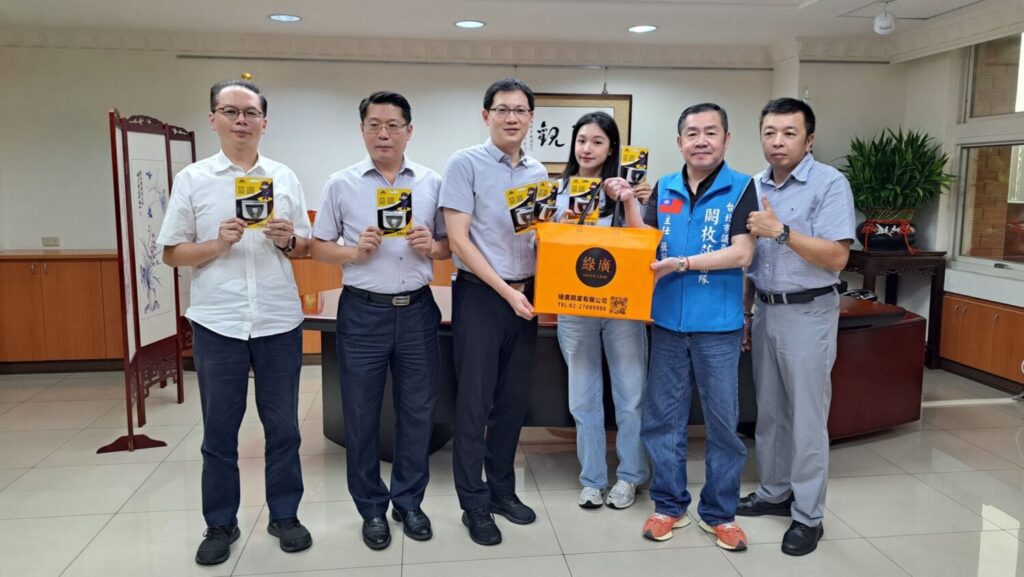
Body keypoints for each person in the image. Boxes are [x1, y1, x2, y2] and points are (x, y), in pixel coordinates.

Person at [158, 79, 313, 566]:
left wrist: (288, 239)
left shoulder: (284, 176)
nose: (241, 120)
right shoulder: (193, 179)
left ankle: (284, 515)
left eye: (250, 113)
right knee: (220, 432)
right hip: (218, 320)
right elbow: (171, 253)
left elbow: (305, 247)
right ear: (213, 119)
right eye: (231, 111)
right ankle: (220, 523)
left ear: (265, 122)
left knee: (283, 428)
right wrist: (217, 243)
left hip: (277, 319)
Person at [612, 102, 757, 551]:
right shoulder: (665, 187)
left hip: (718, 326)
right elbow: (645, 240)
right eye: (692, 133)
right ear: (679, 142)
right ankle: (669, 505)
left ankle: (720, 513)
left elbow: (742, 253)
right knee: (663, 420)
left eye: (711, 132)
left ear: (726, 139)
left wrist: (683, 263)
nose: (701, 141)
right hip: (668, 325)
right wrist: (628, 201)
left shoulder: (742, 187)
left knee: (723, 424)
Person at [310, 91, 449, 550]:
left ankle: (409, 502)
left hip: (417, 310)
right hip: (363, 311)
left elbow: (451, 244)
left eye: (392, 125)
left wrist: (433, 246)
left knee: (417, 411)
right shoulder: (341, 183)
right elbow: (318, 245)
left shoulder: (431, 182)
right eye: (374, 124)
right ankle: (371, 508)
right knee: (360, 413)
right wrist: (354, 252)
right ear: (362, 130)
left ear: (410, 130)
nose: (383, 133)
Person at [736, 97, 856, 557]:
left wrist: (781, 231)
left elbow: (837, 256)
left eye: (789, 132)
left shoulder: (829, 183)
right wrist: (747, 312)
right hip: (766, 309)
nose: (778, 141)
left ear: (809, 139)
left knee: (806, 417)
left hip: (808, 312)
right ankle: (774, 492)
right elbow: (750, 259)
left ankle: (808, 515)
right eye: (769, 132)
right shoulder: (753, 184)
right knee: (769, 412)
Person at [439, 78, 548, 546]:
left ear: (531, 118)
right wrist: (505, 291)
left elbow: (537, 236)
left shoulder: (538, 171)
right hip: (483, 296)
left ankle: (502, 490)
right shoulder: (464, 163)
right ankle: (474, 503)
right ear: (486, 115)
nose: (511, 118)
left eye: (520, 110)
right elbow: (458, 240)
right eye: (502, 109)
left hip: (527, 297)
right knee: (474, 403)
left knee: (511, 401)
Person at [553, 111, 651, 510]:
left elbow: (645, 244)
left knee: (630, 394)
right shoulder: (558, 192)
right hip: (575, 308)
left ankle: (630, 476)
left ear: (612, 149)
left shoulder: (630, 190)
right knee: (583, 397)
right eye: (581, 140)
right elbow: (542, 247)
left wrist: (630, 200)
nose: (587, 148)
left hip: (622, 307)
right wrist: (558, 226)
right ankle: (592, 479)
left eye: (597, 141)